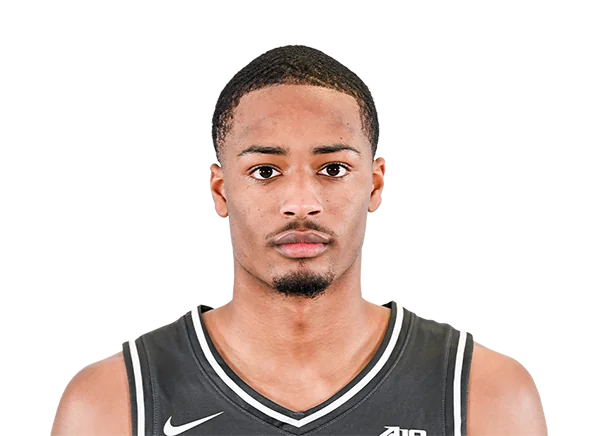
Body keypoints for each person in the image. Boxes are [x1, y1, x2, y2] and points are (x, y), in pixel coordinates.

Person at [51, 44, 548, 436]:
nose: (301, 203)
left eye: (332, 169)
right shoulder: (115, 403)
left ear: (375, 185)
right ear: (220, 191)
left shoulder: (483, 396)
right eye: (266, 171)